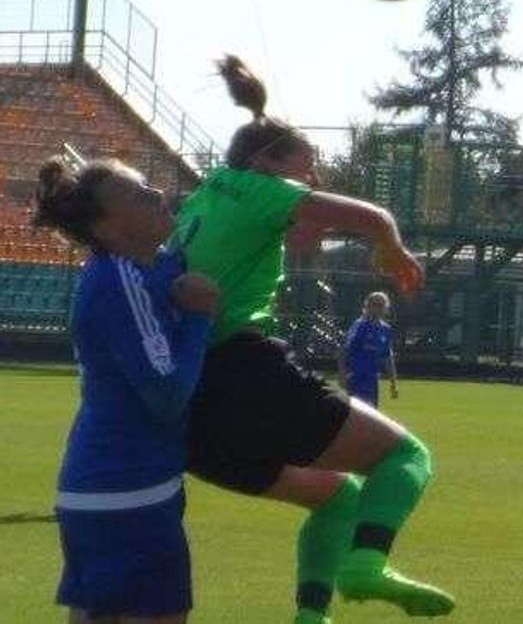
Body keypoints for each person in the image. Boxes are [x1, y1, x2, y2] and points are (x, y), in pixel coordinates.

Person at [171, 55, 454, 624]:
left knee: (337, 496)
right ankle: (367, 564)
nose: (313, 185)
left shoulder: (204, 198)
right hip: (244, 374)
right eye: (307, 171)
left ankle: (311, 617)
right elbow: (371, 216)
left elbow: (298, 239)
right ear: (265, 163)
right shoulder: (258, 187)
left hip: (193, 413)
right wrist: (392, 247)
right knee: (407, 456)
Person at [33, 155, 220, 624]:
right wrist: (199, 317)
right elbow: (167, 394)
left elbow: (165, 267)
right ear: (108, 227)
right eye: (139, 194)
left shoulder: (129, 271)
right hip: (130, 492)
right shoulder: (120, 280)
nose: (157, 194)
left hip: (103, 491)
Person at [339, 292, 399, 408]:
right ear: (367, 306)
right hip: (355, 379)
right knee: (355, 415)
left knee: (370, 415)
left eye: (381, 305)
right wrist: (342, 375)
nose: (377, 308)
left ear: (386, 308)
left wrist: (393, 384)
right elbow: (343, 351)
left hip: (372, 381)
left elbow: (388, 357)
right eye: (374, 304)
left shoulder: (386, 330)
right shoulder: (359, 326)